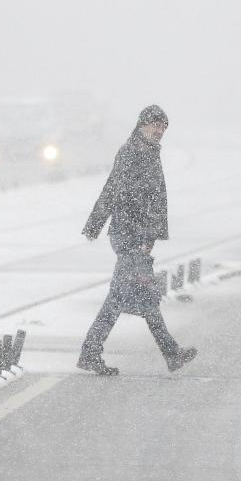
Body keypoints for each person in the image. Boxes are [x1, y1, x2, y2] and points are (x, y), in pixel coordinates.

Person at [76, 104, 197, 375]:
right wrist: (98, 224)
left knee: (130, 298)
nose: (159, 131)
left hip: (136, 236)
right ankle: (168, 353)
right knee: (136, 296)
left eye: (163, 127)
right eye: (155, 125)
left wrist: (150, 235)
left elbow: (152, 198)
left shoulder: (148, 152)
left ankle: (92, 352)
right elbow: (116, 190)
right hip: (130, 236)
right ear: (142, 124)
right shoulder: (133, 152)